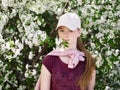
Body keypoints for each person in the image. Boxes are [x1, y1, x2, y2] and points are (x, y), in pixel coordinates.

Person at [35, 12, 96, 90]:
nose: (65, 35)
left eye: (70, 30)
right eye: (62, 30)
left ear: (79, 32)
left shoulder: (88, 61)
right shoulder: (50, 60)